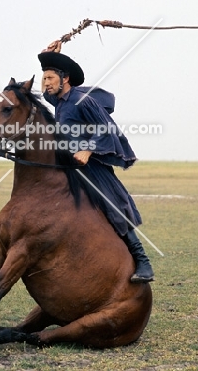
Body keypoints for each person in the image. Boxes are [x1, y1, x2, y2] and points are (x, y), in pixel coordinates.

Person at [38, 50, 154, 283]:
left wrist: (88, 150)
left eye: (50, 78)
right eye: (44, 79)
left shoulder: (83, 101)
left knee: (113, 207)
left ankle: (143, 263)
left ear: (65, 79)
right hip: (69, 168)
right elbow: (44, 93)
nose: (45, 83)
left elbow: (105, 127)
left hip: (92, 169)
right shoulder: (59, 103)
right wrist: (49, 53)